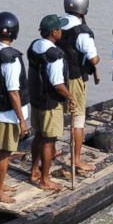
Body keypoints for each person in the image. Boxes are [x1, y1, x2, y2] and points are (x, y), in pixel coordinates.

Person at [0, 11, 31, 204]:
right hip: (9, 115)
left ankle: (0, 185)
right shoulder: (10, 59)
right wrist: (22, 121)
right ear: (14, 32)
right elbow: (13, 91)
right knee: (4, 152)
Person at [27, 14, 74, 191]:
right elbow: (57, 83)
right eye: (59, 29)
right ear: (54, 32)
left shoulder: (34, 46)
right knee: (49, 140)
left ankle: (34, 171)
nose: (61, 31)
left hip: (36, 100)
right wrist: (71, 97)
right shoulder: (55, 54)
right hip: (50, 103)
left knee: (38, 135)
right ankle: (45, 180)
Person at [58, 0, 100, 174]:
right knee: (78, 120)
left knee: (56, 116)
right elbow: (93, 59)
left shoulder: (56, 24)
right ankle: (76, 160)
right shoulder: (82, 31)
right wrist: (96, 61)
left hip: (55, 79)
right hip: (74, 79)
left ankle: (50, 152)